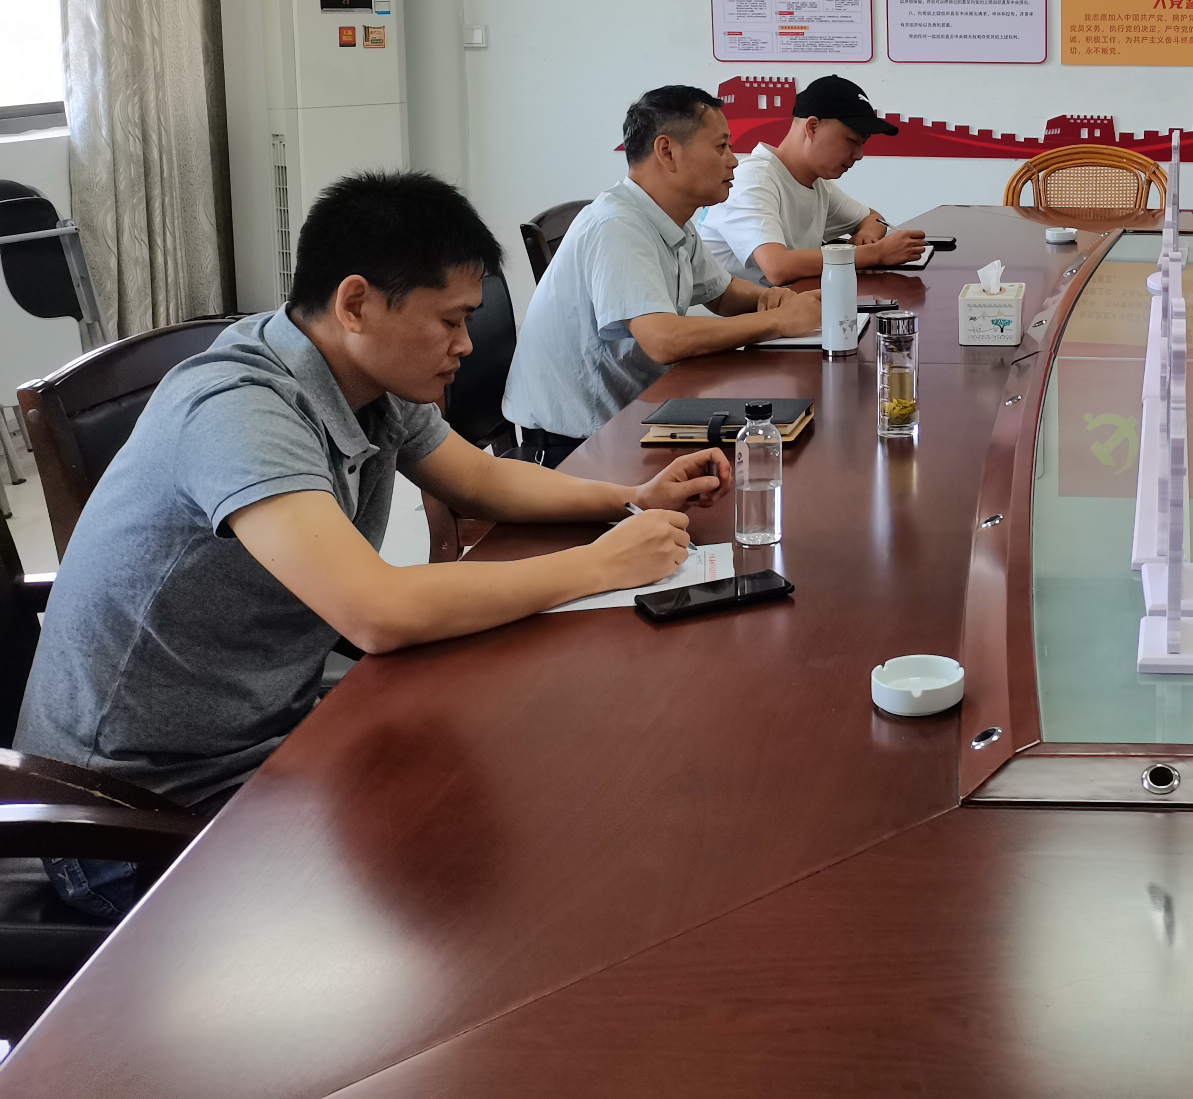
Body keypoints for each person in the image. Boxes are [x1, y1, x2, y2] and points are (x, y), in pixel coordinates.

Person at [16, 171, 725, 920]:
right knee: (490, 880)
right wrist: (600, 564)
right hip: (134, 817)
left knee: (529, 778)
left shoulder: (365, 376)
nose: (464, 345)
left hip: (269, 737)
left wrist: (629, 499)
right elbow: (376, 611)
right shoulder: (239, 409)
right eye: (450, 321)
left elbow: (481, 481)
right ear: (355, 303)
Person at [504, 85, 820, 464]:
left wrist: (771, 299)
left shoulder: (670, 218)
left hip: (635, 415)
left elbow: (722, 293)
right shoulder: (617, 225)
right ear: (667, 151)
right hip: (577, 449)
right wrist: (777, 322)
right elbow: (663, 339)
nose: (733, 161)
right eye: (721, 147)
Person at [699, 74, 927, 285]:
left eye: (863, 143)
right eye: (851, 140)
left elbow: (874, 218)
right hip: (734, 313)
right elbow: (777, 267)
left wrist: (865, 236)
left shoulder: (818, 184)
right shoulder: (752, 179)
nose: (859, 155)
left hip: (786, 306)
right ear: (812, 127)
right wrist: (875, 254)